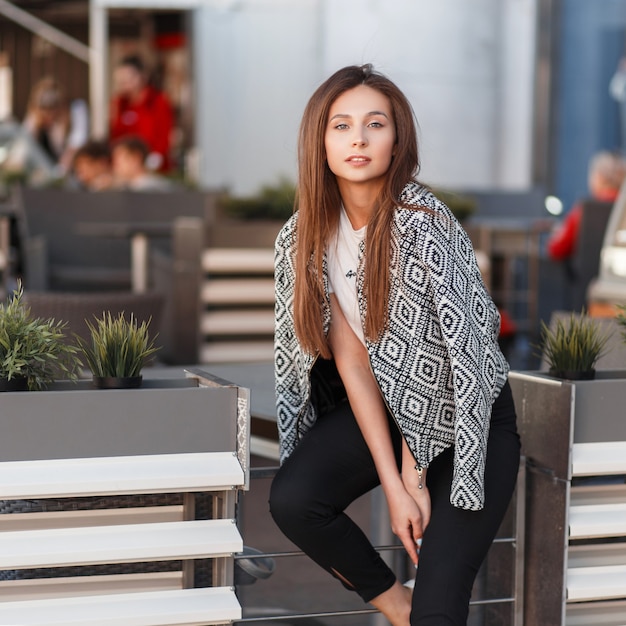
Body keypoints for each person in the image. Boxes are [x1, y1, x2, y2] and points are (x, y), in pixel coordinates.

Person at [269, 64, 521, 626]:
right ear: (320, 139)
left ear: (397, 139)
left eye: (374, 124)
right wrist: (395, 482)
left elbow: (464, 361)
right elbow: (354, 360)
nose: (358, 138)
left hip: (468, 420)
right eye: (341, 125)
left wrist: (417, 475)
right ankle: (396, 606)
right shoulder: (305, 235)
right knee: (294, 500)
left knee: (442, 608)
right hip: (387, 407)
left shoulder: (424, 224)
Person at [547, 151, 626, 261]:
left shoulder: (584, 210)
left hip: (583, 275)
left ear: (600, 177)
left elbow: (557, 249)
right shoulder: (623, 211)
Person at [109, 55, 174, 172]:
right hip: (127, 166)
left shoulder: (158, 101)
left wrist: (154, 160)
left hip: (154, 166)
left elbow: (164, 134)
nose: (124, 83)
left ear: (142, 76)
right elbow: (116, 136)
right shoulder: (119, 103)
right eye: (121, 80)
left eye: (128, 78)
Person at [111, 135, 176, 191]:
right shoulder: (124, 187)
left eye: (118, 161)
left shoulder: (156, 189)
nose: (115, 166)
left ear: (135, 158)